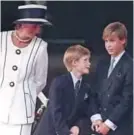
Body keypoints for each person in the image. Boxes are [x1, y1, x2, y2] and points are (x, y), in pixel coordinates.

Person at [0, 4, 52, 135]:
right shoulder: (1, 39)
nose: (37, 31)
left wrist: (25, 96)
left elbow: (40, 81)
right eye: (34, 26)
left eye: (39, 27)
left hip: (22, 113)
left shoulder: (40, 47)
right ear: (20, 25)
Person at [33, 45, 93, 135]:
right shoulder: (59, 82)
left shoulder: (86, 87)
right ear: (74, 62)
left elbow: (83, 113)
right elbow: (55, 110)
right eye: (85, 60)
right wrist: (64, 132)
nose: (89, 63)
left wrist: (78, 127)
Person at [90, 22, 133, 135]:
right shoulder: (102, 63)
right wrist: (97, 119)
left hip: (119, 128)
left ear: (123, 40)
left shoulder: (130, 66)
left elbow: (127, 100)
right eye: (106, 41)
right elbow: (94, 93)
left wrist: (108, 124)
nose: (108, 45)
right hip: (99, 126)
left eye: (112, 41)